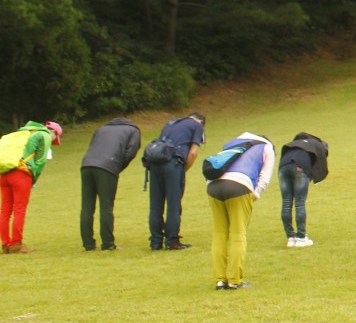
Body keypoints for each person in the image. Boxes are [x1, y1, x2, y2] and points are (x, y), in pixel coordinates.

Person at [206, 132, 274, 290]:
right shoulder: (266, 148)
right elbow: (265, 177)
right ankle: (234, 280)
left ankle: (219, 280)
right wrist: (255, 195)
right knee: (238, 233)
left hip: (213, 186)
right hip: (240, 185)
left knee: (219, 233)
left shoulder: (232, 143)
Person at [0, 120, 62, 254]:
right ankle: (16, 244)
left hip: (4, 173)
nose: (52, 142)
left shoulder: (23, 132)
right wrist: (34, 179)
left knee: (5, 210)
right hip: (21, 174)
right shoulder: (44, 135)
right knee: (19, 209)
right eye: (54, 139)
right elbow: (40, 161)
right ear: (53, 132)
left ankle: (5, 244)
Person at [79, 117, 141, 251]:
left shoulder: (101, 129)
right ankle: (108, 243)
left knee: (87, 206)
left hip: (86, 165)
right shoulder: (133, 130)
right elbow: (130, 152)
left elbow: (92, 146)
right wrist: (117, 167)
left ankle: (88, 244)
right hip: (107, 166)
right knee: (106, 206)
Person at [147, 111, 206, 251]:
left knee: (156, 206)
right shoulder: (197, 125)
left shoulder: (170, 123)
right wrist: (183, 170)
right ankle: (172, 242)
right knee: (173, 205)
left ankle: (155, 242)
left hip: (155, 164)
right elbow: (193, 153)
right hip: (173, 164)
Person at [278, 132, 329, 248]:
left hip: (283, 167)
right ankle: (301, 237)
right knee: (299, 203)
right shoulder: (318, 146)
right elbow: (320, 167)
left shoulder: (296, 143)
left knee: (286, 203)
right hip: (299, 166)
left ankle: (291, 238)